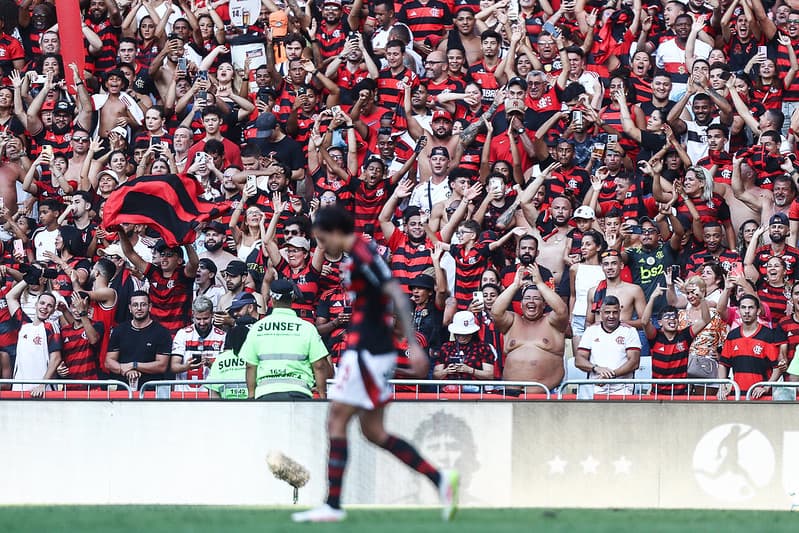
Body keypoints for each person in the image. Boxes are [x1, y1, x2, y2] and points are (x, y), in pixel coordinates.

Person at [292, 206, 458, 523]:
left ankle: (333, 505)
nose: (322, 246)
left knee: (336, 421)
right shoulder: (356, 254)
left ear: (335, 231)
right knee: (374, 432)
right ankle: (441, 480)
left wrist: (412, 344)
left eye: (323, 239)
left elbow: (395, 291)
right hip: (371, 350)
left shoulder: (361, 254)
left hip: (367, 351)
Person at [241, 280, 332, 401]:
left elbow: (250, 366)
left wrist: (251, 396)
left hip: (266, 394)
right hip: (299, 393)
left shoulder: (257, 328)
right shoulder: (307, 328)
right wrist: (322, 395)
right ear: (293, 297)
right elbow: (319, 365)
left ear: (272, 300)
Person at [491, 264, 569, 392]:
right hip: (511, 394)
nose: (531, 301)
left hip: (545, 394)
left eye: (536, 298)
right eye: (527, 298)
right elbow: (496, 311)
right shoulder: (513, 321)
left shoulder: (552, 322)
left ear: (544, 304)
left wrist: (539, 283)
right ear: (521, 305)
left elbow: (561, 310)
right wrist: (515, 285)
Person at [642, 285, 710, 396]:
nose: (672, 319)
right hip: (657, 395)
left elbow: (705, 320)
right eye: (667, 317)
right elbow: (644, 322)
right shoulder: (655, 337)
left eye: (674, 316)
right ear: (660, 322)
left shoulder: (684, 336)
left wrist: (702, 298)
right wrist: (653, 297)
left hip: (680, 395)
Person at [718, 294, 784, 400]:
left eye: (751, 307)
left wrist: (766, 387)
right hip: (737, 396)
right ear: (738, 311)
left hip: (760, 397)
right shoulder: (732, 335)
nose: (747, 311)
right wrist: (722, 386)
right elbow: (723, 364)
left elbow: (777, 368)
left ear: (758, 311)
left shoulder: (768, 335)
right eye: (743, 307)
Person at [575, 296, 642, 395]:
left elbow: (634, 362)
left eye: (615, 312)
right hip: (596, 385)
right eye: (607, 312)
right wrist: (596, 368)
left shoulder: (630, 331)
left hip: (622, 387)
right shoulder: (591, 330)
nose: (611, 316)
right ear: (600, 312)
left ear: (620, 311)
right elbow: (579, 360)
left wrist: (611, 375)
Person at [105, 291, 172, 389]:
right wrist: (125, 370)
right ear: (130, 308)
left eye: (143, 305)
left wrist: (134, 365)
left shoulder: (162, 332)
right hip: (124, 391)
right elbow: (109, 361)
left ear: (150, 307)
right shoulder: (120, 330)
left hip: (151, 391)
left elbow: (162, 366)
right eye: (135, 305)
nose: (139, 308)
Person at [170, 296, 226, 391]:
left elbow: (226, 368)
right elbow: (173, 366)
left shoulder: (222, 336)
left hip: (212, 395)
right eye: (198, 319)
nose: (202, 323)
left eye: (206, 318)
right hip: (185, 395)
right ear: (193, 315)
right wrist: (186, 367)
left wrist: (211, 363)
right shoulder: (183, 334)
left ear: (212, 314)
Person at [432, 310, 495, 385]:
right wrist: (447, 371)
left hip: (474, 390)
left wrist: (469, 370)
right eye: (459, 334)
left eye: (466, 334)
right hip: (450, 390)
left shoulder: (483, 347)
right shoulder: (446, 347)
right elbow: (435, 375)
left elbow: (490, 375)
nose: (462, 337)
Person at [206, 319, 254, 399]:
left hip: (227, 405)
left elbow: (212, 389)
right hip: (251, 402)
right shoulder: (253, 356)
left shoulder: (220, 359)